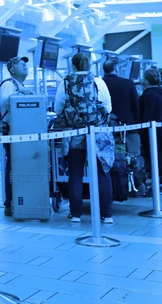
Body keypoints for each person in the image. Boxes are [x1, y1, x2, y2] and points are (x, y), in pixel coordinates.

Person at [54, 52, 114, 223]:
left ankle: (76, 214)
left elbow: (58, 108)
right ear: (89, 65)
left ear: (73, 66)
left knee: (76, 173)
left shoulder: (65, 82)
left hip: (74, 133)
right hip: (98, 132)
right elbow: (108, 107)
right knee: (102, 171)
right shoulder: (98, 81)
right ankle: (106, 214)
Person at [0, 56, 32, 216]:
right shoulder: (8, 85)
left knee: (19, 166)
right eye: (21, 63)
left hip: (21, 131)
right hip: (12, 132)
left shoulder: (19, 85)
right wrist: (20, 93)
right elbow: (5, 104)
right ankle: (9, 202)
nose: (25, 65)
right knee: (13, 166)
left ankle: (20, 197)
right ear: (11, 69)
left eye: (25, 63)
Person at [103, 58, 140, 153]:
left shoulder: (100, 84)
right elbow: (135, 106)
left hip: (108, 128)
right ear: (116, 69)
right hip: (129, 126)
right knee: (133, 157)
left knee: (112, 159)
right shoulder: (128, 83)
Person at [138, 68, 162, 180]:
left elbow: (146, 116)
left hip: (152, 134)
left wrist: (139, 132)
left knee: (154, 158)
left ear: (147, 80)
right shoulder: (159, 92)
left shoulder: (148, 95)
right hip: (159, 130)